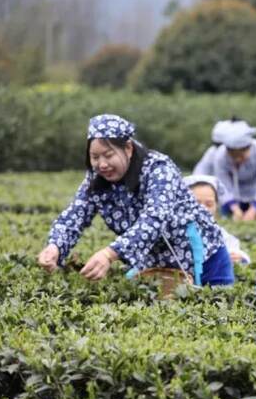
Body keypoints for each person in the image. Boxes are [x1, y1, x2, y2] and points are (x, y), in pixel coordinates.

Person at [37, 114, 234, 286]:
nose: (102, 164)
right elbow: (75, 215)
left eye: (108, 155)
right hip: (152, 260)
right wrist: (55, 246)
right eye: (94, 157)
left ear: (128, 148)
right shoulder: (96, 178)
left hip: (203, 257)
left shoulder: (159, 169)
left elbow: (153, 219)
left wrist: (109, 254)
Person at [212, 119, 256, 221]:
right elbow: (223, 185)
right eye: (233, 156)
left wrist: (253, 210)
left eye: (241, 156)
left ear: (248, 147)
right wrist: (235, 209)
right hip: (234, 195)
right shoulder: (220, 156)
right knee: (228, 220)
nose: (238, 159)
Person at [184, 174, 251, 265]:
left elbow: (235, 250)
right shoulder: (175, 232)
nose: (203, 209)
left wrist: (238, 257)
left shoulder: (219, 233)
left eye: (209, 204)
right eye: (196, 203)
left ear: (216, 206)